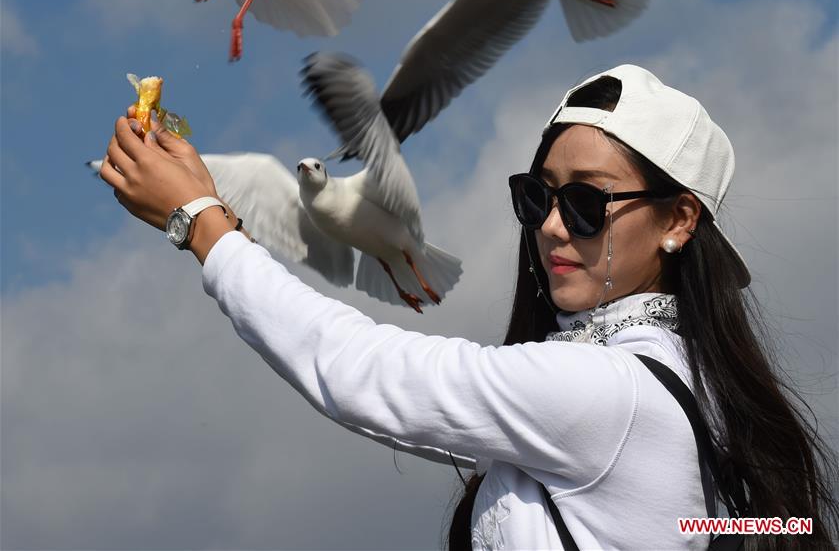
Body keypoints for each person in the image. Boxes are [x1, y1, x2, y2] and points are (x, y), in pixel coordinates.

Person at [100, 65, 838, 549]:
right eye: (537, 196)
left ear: (679, 221)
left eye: (585, 203)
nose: (550, 223)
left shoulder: (608, 396)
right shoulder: (703, 400)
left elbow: (357, 371)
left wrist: (199, 221)